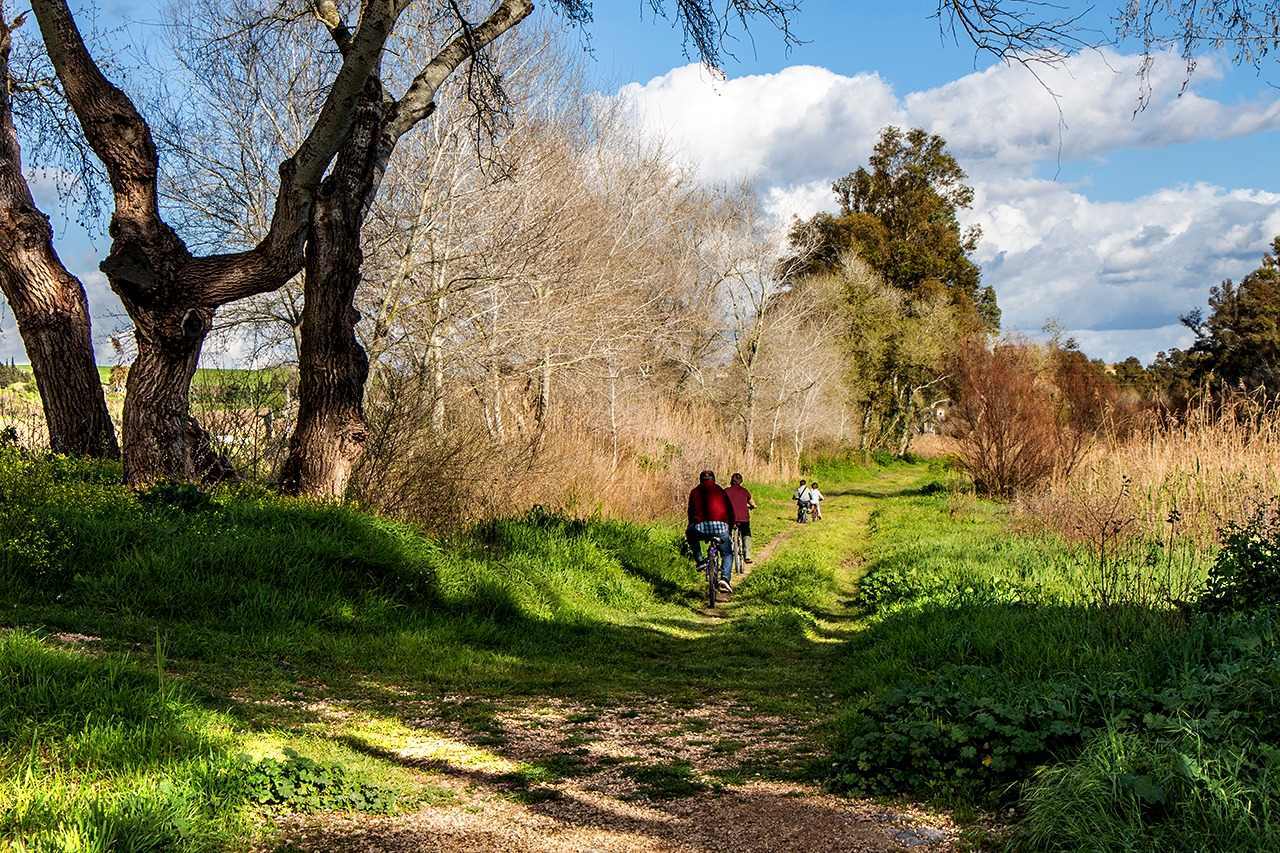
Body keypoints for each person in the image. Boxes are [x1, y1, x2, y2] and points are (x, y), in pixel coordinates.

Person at [687, 469, 736, 594]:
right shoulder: (721, 491)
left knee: (690, 532)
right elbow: (730, 511)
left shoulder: (695, 491)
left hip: (700, 527)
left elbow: (691, 512)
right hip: (721, 528)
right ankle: (725, 578)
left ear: (700, 480)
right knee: (727, 553)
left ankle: (699, 561)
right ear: (713, 479)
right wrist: (730, 528)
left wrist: (692, 524)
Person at [725, 472, 757, 565]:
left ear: (731, 481)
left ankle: (728, 552)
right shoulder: (744, 491)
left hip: (729, 518)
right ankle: (747, 555)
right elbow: (752, 503)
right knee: (746, 533)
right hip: (743, 519)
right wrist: (753, 506)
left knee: (727, 533)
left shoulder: (726, 491)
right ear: (741, 482)